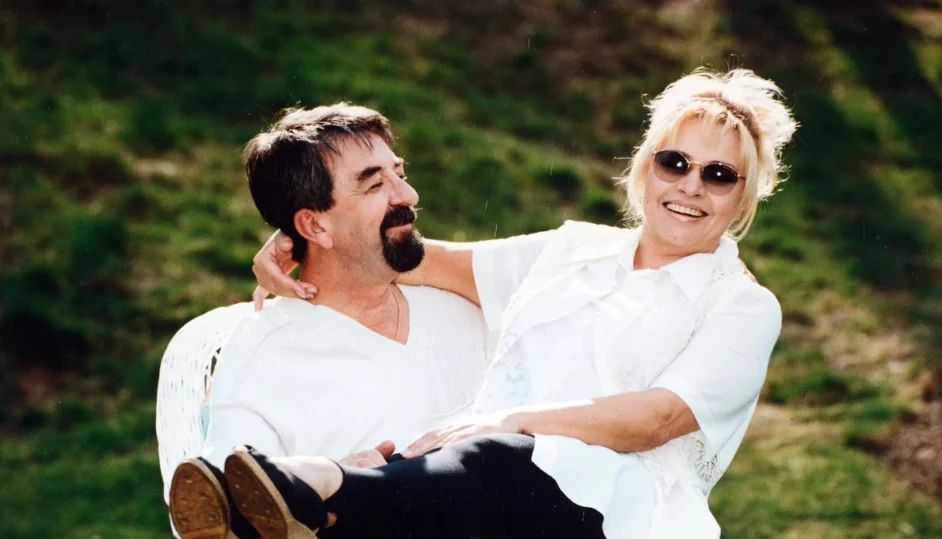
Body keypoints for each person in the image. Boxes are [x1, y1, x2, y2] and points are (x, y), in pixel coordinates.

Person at [214, 67, 797, 539]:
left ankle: (313, 485)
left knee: (491, 458)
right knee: (410, 473)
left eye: (720, 175)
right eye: (675, 163)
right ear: (647, 168)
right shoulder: (570, 252)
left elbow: (658, 419)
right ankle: (294, 507)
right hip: (486, 485)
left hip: (615, 512)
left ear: (744, 195)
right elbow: (409, 254)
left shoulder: (742, 307)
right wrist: (305, 238)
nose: (691, 186)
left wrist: (512, 422)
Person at [166, 104, 494, 539]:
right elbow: (221, 504)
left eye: (400, 173)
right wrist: (341, 482)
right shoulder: (266, 351)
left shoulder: (465, 300)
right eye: (375, 184)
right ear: (314, 226)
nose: (408, 195)